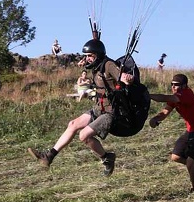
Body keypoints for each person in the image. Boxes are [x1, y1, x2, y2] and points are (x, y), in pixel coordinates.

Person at [28, 38, 134, 177]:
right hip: (99, 108)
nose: (87, 59)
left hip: (111, 113)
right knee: (72, 124)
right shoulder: (97, 66)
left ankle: (107, 158)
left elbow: (121, 76)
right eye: (87, 56)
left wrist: (127, 79)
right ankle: (49, 156)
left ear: (98, 55)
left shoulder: (108, 65)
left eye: (90, 56)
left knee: (83, 135)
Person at [149, 74, 194, 193]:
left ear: (184, 86)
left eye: (177, 85)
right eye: (172, 84)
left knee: (190, 161)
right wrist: (156, 119)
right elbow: (165, 112)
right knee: (176, 157)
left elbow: (165, 98)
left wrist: (147, 95)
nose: (174, 87)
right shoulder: (175, 97)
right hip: (192, 130)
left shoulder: (186, 94)